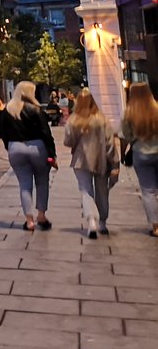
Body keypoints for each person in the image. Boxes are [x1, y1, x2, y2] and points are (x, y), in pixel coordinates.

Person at [0, 81, 57, 231]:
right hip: (37, 147)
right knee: (42, 182)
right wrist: (52, 154)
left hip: (15, 147)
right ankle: (41, 216)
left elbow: (3, 132)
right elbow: (46, 133)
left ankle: (29, 220)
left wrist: (9, 147)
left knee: (24, 185)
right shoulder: (36, 109)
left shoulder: (8, 110)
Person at [64, 89, 119, 239]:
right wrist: (115, 163)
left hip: (81, 160)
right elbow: (110, 144)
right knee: (102, 191)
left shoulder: (73, 120)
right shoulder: (102, 119)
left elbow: (67, 141)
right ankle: (103, 222)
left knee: (86, 191)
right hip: (101, 160)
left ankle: (91, 221)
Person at [120, 82, 158, 238]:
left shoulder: (128, 113)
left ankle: (156, 227)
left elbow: (125, 136)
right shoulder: (156, 110)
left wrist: (122, 155)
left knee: (148, 191)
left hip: (141, 154)